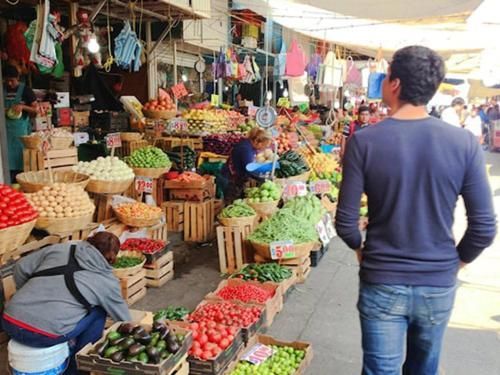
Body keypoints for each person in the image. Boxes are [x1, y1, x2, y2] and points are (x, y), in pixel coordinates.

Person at [335, 45, 496, 375]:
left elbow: (346, 223)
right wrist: (455, 263)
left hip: (382, 279)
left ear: (394, 85)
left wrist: (360, 251)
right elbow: (484, 228)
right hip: (437, 282)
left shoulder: (364, 142)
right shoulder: (464, 143)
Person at [2, 231, 131, 374]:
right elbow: (123, 318)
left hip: (9, 321)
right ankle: (78, 367)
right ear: (112, 258)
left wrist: (24, 291)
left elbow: (20, 266)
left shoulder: (60, 248)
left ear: (89, 241)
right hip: (43, 336)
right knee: (99, 312)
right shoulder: (107, 281)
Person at [3, 64, 38, 181]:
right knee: (5, 163)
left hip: (20, 135)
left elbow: (36, 111)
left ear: (17, 78)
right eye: (7, 81)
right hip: (4, 135)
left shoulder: (26, 91)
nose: (9, 84)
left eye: (12, 81)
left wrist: (23, 107)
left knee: (20, 163)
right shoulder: (2, 89)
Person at [220, 127, 272, 203]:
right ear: (257, 141)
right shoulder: (245, 149)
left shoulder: (249, 146)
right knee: (232, 204)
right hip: (230, 180)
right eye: (264, 145)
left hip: (236, 179)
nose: (263, 148)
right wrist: (263, 179)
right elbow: (249, 169)